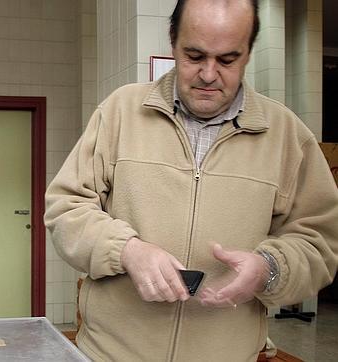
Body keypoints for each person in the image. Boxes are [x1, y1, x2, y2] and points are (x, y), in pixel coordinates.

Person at [44, 0, 338, 360]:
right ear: (172, 41)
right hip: (110, 355)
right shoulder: (120, 112)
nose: (209, 75)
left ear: (248, 53)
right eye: (194, 56)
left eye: (227, 60)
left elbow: (320, 242)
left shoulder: (288, 136)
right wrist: (126, 250)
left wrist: (270, 268)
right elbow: (65, 209)